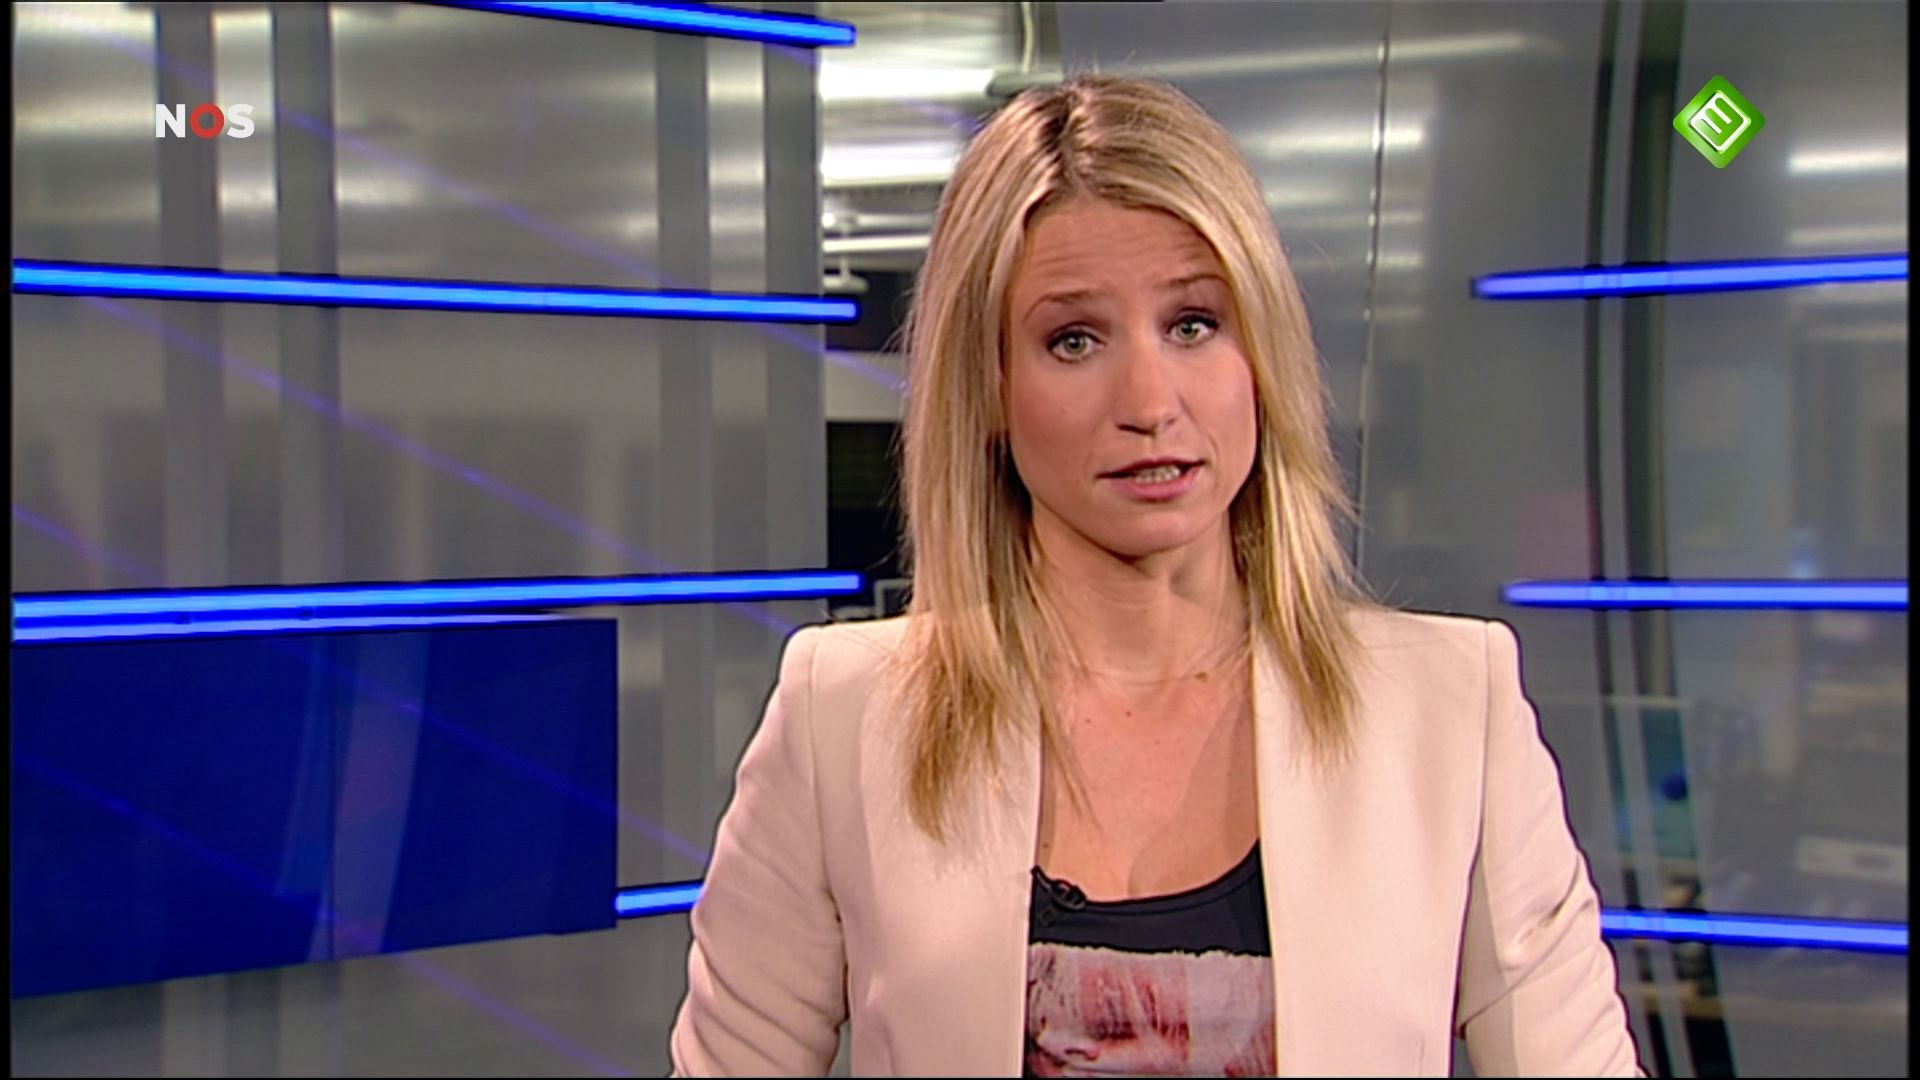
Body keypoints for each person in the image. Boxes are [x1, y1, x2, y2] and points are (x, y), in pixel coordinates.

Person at [670, 74, 1642, 1077]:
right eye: (1074, 340)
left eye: (1193, 325)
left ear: (1261, 353)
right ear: (990, 387)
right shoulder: (845, 716)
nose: (1149, 401)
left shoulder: (1448, 711)